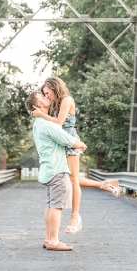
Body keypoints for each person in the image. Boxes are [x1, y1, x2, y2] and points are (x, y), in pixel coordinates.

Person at [30, 76, 119, 235]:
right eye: (44, 94)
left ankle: (75, 217)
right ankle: (105, 184)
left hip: (70, 142)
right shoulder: (56, 103)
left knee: (72, 180)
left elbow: (57, 122)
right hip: (61, 142)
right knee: (70, 178)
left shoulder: (66, 100)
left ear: (54, 87)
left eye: (47, 92)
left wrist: (40, 114)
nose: (46, 96)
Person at [25, 90, 87, 251]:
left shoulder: (38, 123)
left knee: (51, 205)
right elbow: (68, 140)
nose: (46, 97)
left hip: (48, 169)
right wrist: (80, 144)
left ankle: (48, 239)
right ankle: (53, 241)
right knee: (57, 207)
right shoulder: (47, 124)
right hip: (57, 169)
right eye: (43, 97)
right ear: (39, 105)